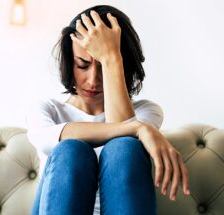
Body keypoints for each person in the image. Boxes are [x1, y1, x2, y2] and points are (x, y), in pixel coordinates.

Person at [26, 5, 190, 215]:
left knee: (125, 148)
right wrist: (138, 129)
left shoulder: (147, 112)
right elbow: (57, 138)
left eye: (103, 66)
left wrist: (112, 57)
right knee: (71, 150)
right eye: (83, 65)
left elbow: (122, 146)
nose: (93, 80)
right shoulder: (46, 110)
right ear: (70, 62)